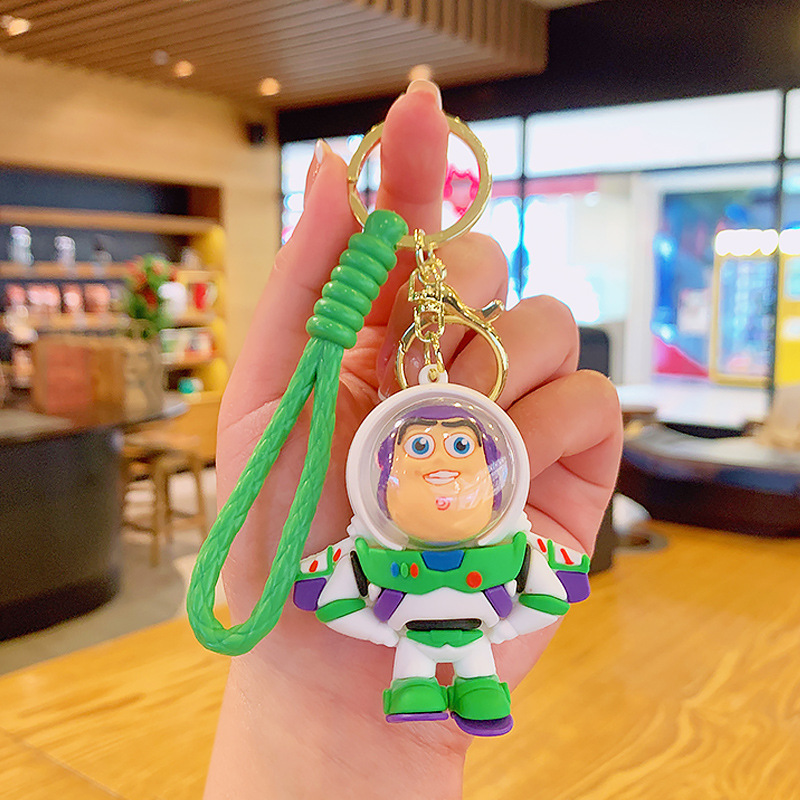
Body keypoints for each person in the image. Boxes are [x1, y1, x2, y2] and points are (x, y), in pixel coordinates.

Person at [204, 79, 623, 799]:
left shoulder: (502, 547)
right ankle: (417, 690)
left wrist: (551, 578)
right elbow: (335, 586)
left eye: (461, 448)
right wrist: (302, 670)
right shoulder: (376, 549)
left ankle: (475, 690)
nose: (441, 467)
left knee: (477, 673)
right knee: (417, 673)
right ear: (382, 475)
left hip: (462, 631)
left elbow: (540, 582)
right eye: (420, 449)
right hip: (387, 643)